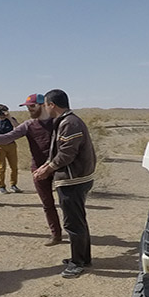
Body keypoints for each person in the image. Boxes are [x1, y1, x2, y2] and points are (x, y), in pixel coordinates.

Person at [0, 93, 63, 245]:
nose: (30, 109)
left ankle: (76, 236)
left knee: (67, 203)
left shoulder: (58, 123)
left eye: (32, 106)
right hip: (38, 169)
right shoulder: (28, 125)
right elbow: (9, 136)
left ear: (43, 105)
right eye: (28, 107)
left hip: (60, 167)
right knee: (47, 204)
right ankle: (56, 235)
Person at [35, 89, 95, 278]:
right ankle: (82, 257)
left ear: (52, 105)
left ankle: (77, 263)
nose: (45, 108)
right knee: (78, 220)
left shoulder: (70, 123)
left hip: (74, 180)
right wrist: (46, 164)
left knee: (73, 222)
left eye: (46, 105)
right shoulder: (66, 121)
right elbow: (59, 151)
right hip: (75, 178)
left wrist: (47, 169)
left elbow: (67, 154)